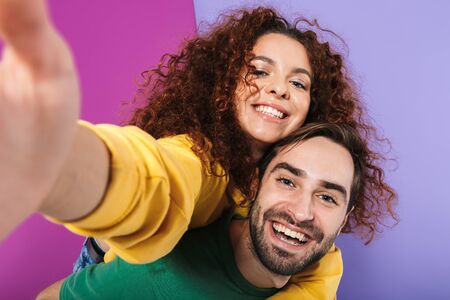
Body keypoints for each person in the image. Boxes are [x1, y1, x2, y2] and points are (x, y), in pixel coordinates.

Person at [0, 1, 397, 299]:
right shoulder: (200, 158)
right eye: (259, 70)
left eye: (299, 83)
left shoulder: (306, 215)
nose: (278, 88)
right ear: (225, 82)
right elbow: (151, 179)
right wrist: (55, 158)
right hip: (117, 267)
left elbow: (316, 280)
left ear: (313, 105)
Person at [37, 122, 384, 299]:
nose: (302, 211)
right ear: (255, 185)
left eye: (327, 198)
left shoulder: (317, 278)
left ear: (345, 216)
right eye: (288, 182)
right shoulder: (165, 275)